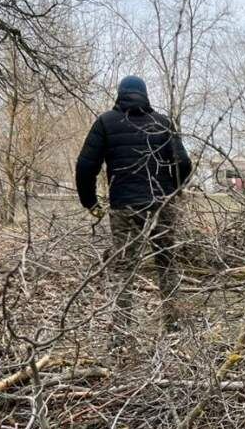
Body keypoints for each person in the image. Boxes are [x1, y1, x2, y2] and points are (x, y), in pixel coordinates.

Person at [75, 75, 193, 334]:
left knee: (123, 269)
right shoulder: (163, 123)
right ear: (145, 95)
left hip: (124, 207)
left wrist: (90, 202)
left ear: (119, 94)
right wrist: (173, 190)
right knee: (166, 263)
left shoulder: (106, 122)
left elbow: (85, 166)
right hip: (162, 205)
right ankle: (173, 327)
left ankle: (121, 333)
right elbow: (183, 163)